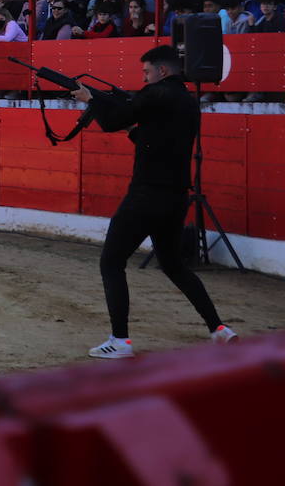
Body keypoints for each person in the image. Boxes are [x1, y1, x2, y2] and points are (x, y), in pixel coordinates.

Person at [70, 46, 237, 359]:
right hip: (176, 196)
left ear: (162, 71)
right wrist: (130, 127)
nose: (144, 78)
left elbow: (113, 120)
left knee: (111, 261)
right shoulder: (188, 101)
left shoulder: (155, 94)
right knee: (173, 264)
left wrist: (90, 99)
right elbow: (153, 139)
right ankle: (219, 329)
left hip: (146, 193)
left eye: (147, 72)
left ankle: (120, 340)